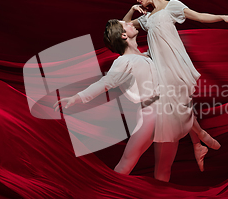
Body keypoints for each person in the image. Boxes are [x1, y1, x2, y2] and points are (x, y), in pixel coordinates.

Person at [54, 19, 216, 181]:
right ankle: (110, 197)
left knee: (164, 169)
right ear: (124, 35)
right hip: (151, 113)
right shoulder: (123, 61)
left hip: (169, 114)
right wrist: (78, 97)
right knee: (127, 163)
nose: (131, 23)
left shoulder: (148, 56)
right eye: (126, 24)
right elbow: (105, 83)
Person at [123, 0, 228, 165]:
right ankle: (199, 140)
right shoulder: (146, 18)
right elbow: (124, 25)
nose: (138, 0)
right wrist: (131, 11)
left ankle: (199, 141)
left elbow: (199, 16)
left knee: (181, 106)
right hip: (159, 68)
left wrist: (221, 17)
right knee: (179, 107)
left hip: (175, 64)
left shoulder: (172, 6)